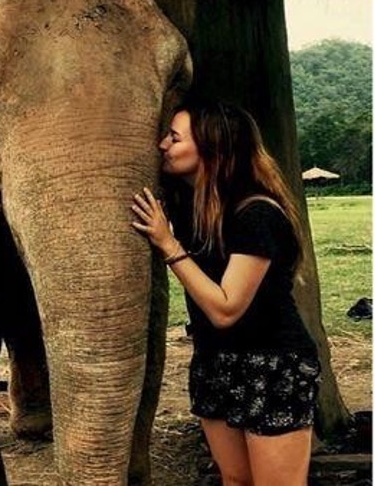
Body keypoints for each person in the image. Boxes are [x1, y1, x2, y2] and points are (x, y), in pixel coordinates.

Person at [131, 97, 321, 486]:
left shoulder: (257, 214)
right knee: (235, 480)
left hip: (272, 366)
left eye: (173, 137)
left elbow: (226, 308)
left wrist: (169, 246)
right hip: (216, 362)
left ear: (213, 147)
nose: (162, 145)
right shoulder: (193, 210)